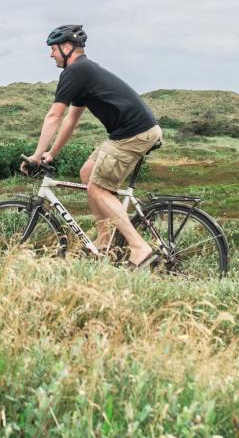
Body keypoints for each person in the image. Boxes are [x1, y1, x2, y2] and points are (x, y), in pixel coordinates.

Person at [22, 24, 163, 267]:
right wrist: (51, 153)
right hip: (128, 133)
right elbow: (70, 120)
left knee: (98, 189)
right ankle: (105, 239)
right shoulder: (83, 72)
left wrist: (35, 155)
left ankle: (139, 247)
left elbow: (54, 116)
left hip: (133, 134)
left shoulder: (75, 71)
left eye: (53, 49)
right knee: (87, 173)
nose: (51, 54)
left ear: (67, 47)